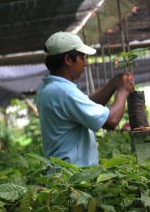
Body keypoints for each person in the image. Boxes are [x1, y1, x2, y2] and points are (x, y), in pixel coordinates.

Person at [38, 31, 135, 166]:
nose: (85, 63)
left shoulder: (49, 88)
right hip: (73, 177)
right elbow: (111, 121)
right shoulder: (64, 92)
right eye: (82, 57)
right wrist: (123, 91)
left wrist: (114, 83)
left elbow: (88, 104)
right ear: (68, 60)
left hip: (63, 174)